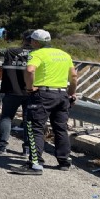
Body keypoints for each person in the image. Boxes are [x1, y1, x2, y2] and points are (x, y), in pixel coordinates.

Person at [11, 29, 78, 175]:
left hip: (42, 95)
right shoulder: (64, 54)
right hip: (62, 95)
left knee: (36, 128)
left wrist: (30, 88)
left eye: (31, 41)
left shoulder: (36, 54)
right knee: (60, 128)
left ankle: (35, 164)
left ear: (35, 42)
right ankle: (64, 161)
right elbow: (73, 76)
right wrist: (71, 93)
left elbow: (29, 70)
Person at [0, 27, 32, 155]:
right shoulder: (39, 54)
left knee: (7, 118)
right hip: (31, 91)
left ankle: (1, 147)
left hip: (12, 90)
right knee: (29, 120)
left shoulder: (11, 51)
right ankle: (28, 150)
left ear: (23, 39)